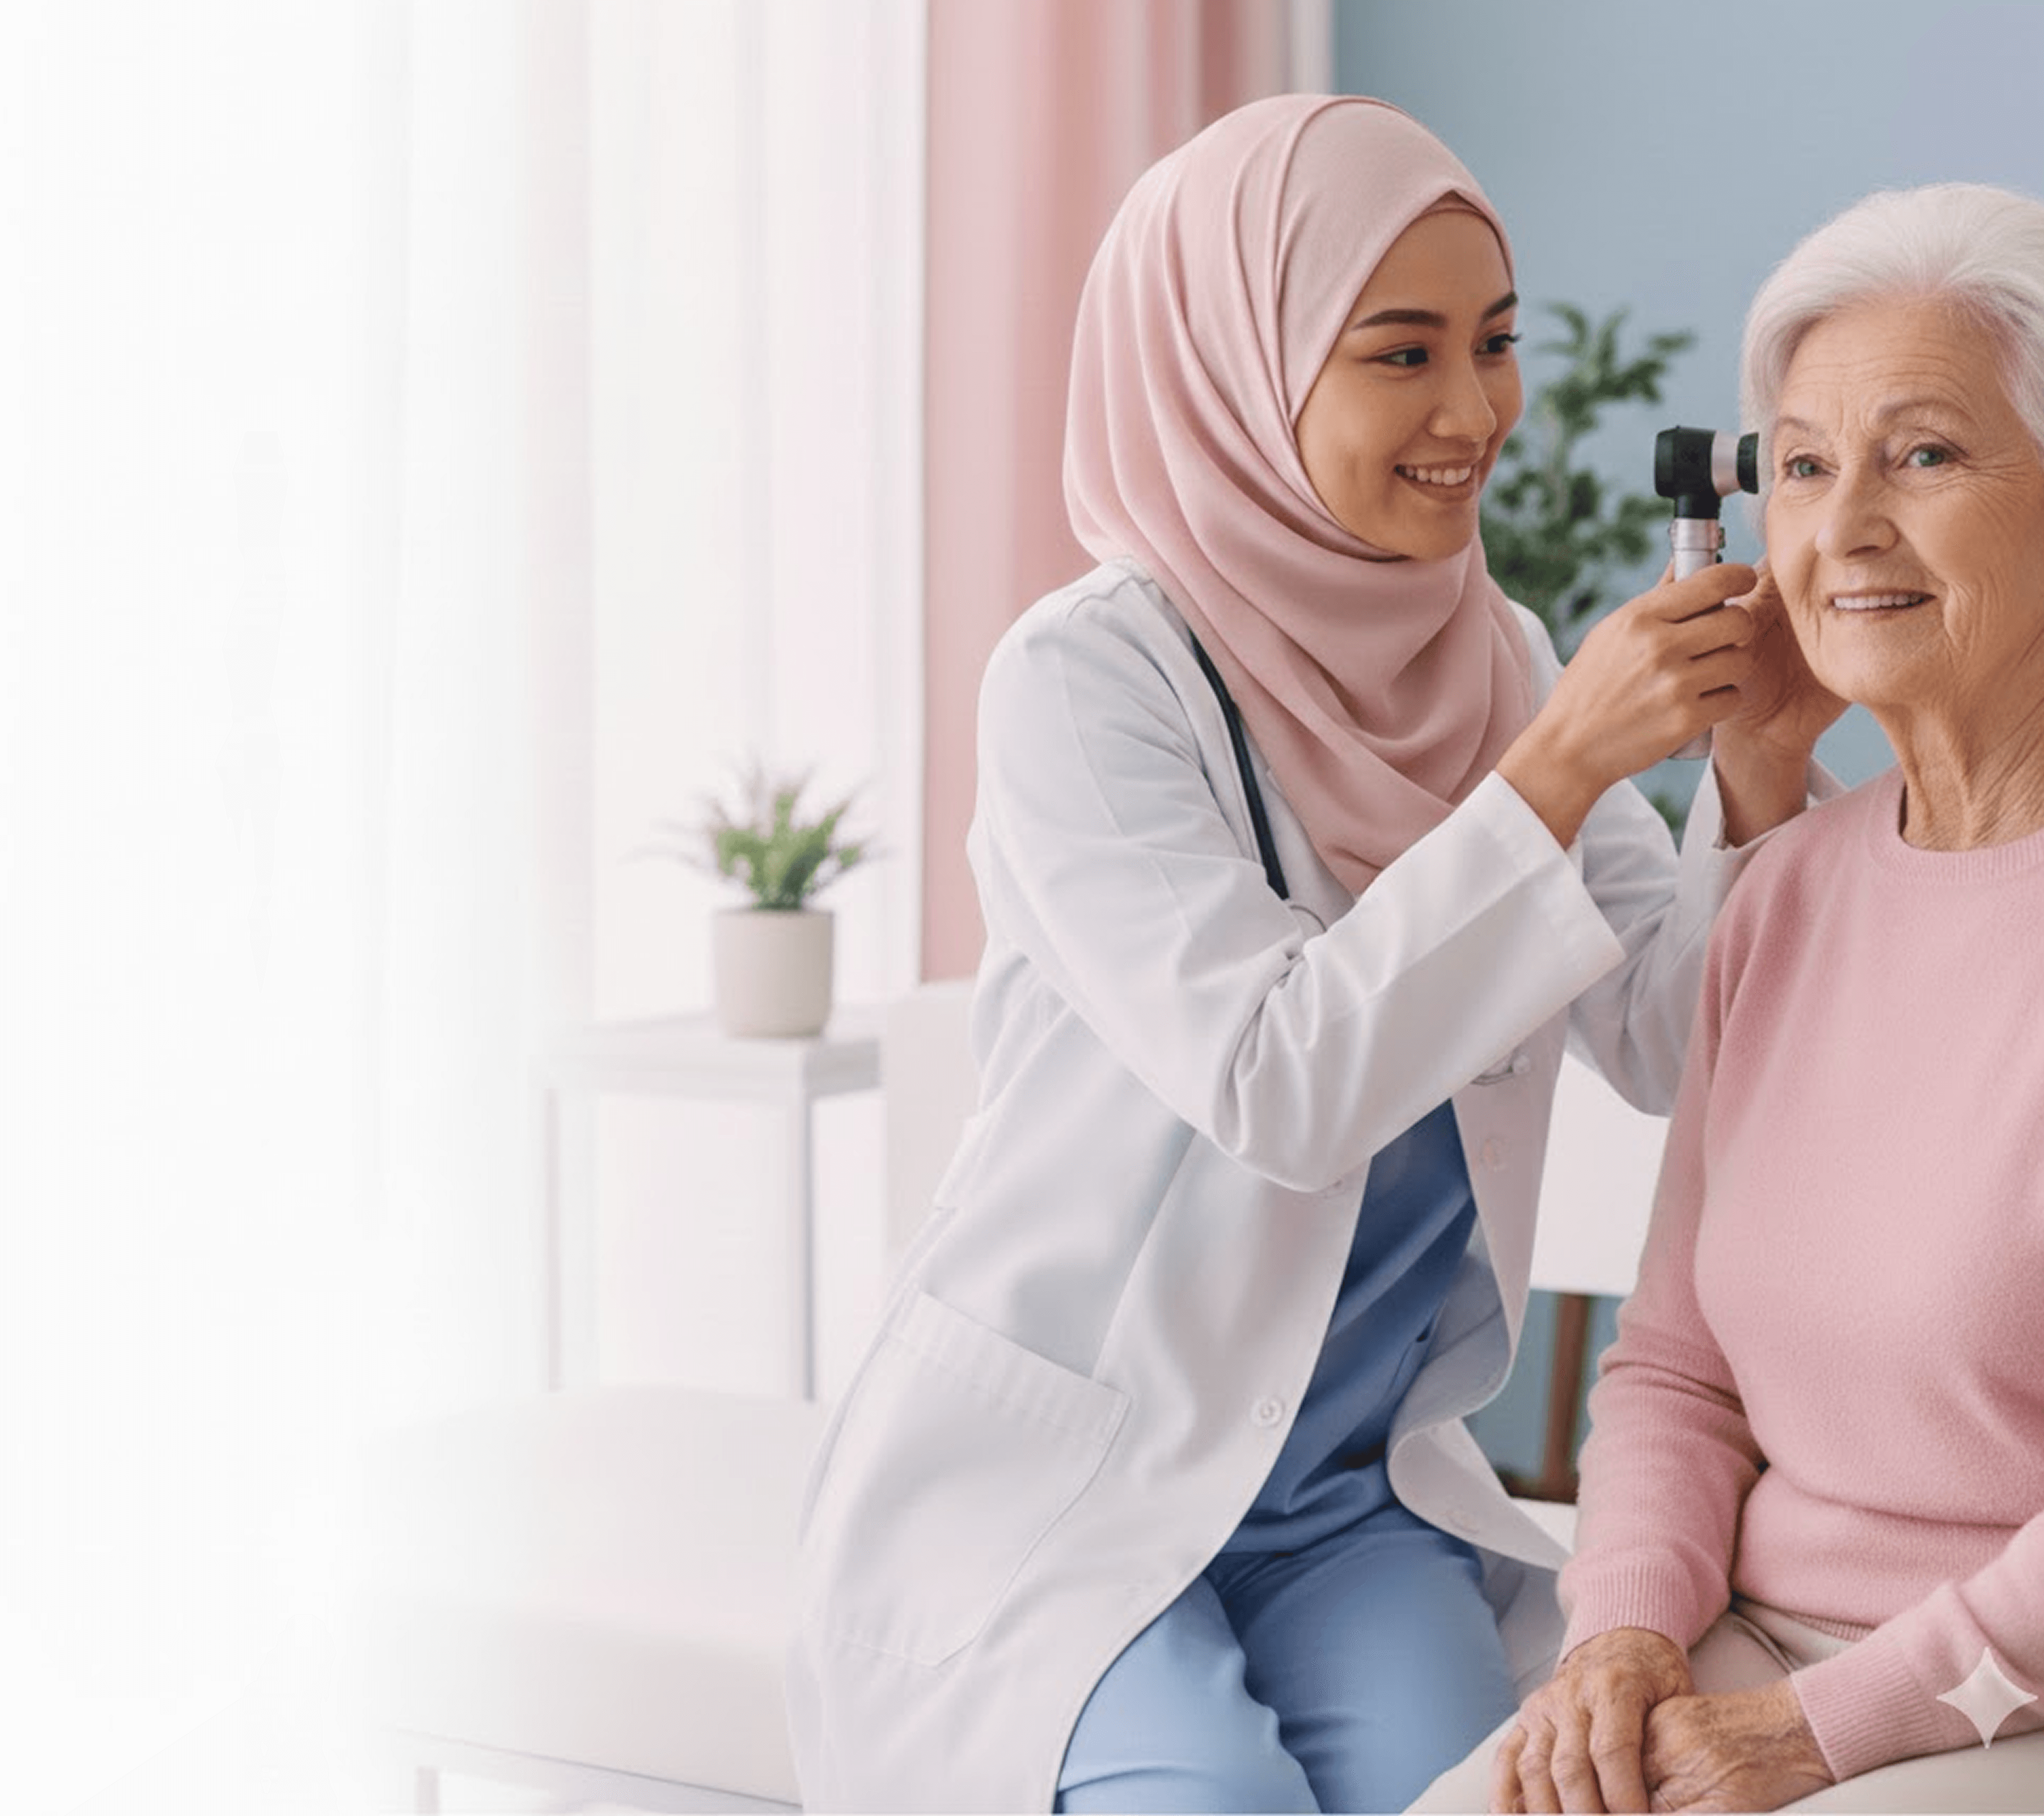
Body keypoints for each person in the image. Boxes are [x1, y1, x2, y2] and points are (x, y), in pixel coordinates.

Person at [787, 95, 1834, 1814]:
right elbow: (1275, 1081)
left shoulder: (1488, 655)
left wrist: (1758, 773)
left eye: (1495, 345)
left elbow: (1663, 1035)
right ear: (1232, 373)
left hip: (1346, 1496)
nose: (1473, 412)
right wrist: (1561, 767)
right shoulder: (1088, 682)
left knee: (1492, 1803)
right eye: (1398, 353)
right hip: (1069, 1486)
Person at [1427, 180, 2044, 1815]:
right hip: (1746, 1644)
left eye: (1924, 453)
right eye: (1803, 464)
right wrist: (1619, 1635)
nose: (1844, 526)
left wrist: (1831, 1725)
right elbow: (1676, 1369)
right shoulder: (1781, 895)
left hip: (1997, 1700)